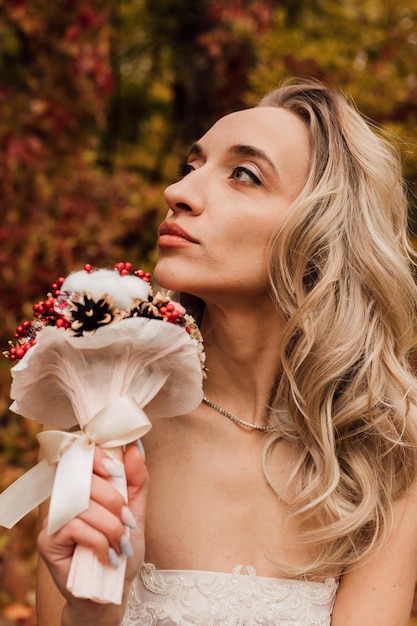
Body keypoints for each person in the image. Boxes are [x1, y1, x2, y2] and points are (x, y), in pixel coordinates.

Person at [36, 78, 417, 625]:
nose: (179, 192)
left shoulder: (379, 449)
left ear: (323, 231)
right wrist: (94, 609)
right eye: (192, 167)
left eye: (244, 174)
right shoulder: (107, 423)